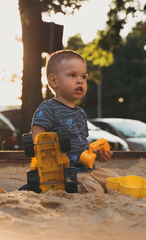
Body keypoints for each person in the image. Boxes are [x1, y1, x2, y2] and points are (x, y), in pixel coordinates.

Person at [31, 49, 119, 194]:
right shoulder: (48, 108)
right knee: (92, 190)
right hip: (65, 172)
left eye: (84, 77)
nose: (80, 81)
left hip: (87, 169)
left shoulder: (80, 113)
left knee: (117, 182)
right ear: (54, 81)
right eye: (72, 75)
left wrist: (96, 154)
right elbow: (37, 140)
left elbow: (81, 143)